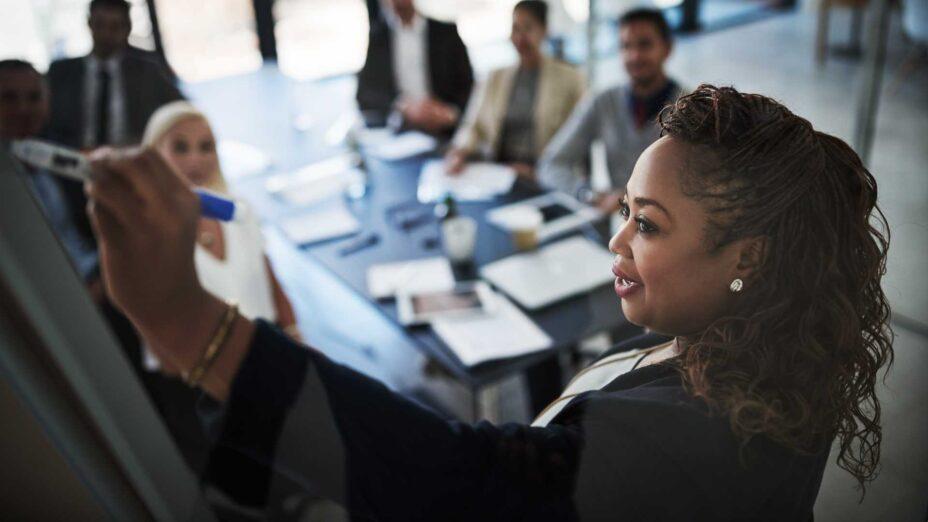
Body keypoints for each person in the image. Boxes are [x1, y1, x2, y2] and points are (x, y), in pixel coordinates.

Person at [85, 85, 893, 520]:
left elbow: (457, 486)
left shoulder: (693, 444)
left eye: (646, 225)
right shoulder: (777, 354)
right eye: (622, 214)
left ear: (745, 257)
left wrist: (188, 320)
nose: (616, 244)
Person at [141, 101, 299, 343]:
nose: (196, 160)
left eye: (206, 147)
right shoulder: (149, 237)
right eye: (180, 148)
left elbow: (269, 277)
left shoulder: (238, 210)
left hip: (270, 346)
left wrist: (294, 335)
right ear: (154, 155)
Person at [45, 0, 184, 243]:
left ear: (127, 29)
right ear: (89, 24)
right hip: (74, 172)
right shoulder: (61, 73)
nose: (107, 34)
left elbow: (181, 115)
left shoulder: (148, 70)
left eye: (115, 26)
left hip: (131, 168)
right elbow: (44, 126)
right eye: (100, 25)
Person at [537, 8, 685, 213]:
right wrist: (587, 194)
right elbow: (551, 164)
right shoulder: (603, 101)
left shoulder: (691, 109)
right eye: (626, 46)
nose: (634, 56)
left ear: (667, 48)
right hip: (617, 224)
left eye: (645, 44)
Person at [445, 1, 585, 180]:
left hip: (543, 175)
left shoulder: (570, 78)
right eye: (515, 29)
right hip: (499, 172)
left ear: (544, 31)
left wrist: (537, 173)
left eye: (528, 28)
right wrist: (459, 152)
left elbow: (576, 143)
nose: (520, 38)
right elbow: (472, 126)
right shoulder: (495, 77)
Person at [0, 60, 97, 281]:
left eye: (34, 98)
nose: (23, 109)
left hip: (94, 275)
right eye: (8, 98)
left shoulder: (63, 155)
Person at [356, 0, 474, 135]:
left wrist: (450, 113)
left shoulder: (447, 33)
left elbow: (469, 87)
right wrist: (403, 108)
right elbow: (366, 94)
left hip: (447, 130)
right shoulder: (378, 39)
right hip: (402, 132)